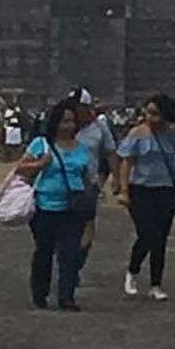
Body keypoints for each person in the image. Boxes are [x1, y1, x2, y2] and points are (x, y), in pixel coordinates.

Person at [118, 94, 175, 301]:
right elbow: (126, 162)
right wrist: (124, 190)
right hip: (141, 188)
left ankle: (156, 283)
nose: (150, 117)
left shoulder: (172, 134)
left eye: (155, 114)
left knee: (160, 238)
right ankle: (132, 270)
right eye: (148, 112)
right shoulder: (137, 134)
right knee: (148, 233)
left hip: (165, 189)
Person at [15, 100, 92, 312]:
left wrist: (88, 201)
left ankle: (66, 296)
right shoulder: (41, 144)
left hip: (72, 207)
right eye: (64, 121)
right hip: (45, 206)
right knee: (44, 251)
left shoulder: (82, 149)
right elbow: (20, 168)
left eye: (72, 121)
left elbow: (86, 177)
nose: (68, 125)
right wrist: (40, 165)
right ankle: (40, 292)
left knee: (70, 254)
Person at [68, 87, 120, 276]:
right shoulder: (64, 125)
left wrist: (117, 178)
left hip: (88, 183)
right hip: (62, 182)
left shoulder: (100, 127)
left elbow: (111, 152)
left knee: (87, 225)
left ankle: (76, 263)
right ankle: (68, 261)